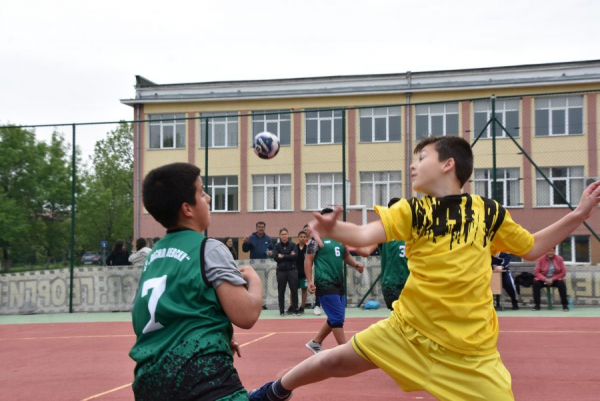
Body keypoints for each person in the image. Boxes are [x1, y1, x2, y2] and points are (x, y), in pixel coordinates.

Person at [248, 136, 600, 401]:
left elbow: (534, 245)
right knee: (333, 361)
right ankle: (275, 391)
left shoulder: (489, 213)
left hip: (470, 352)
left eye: (422, 157)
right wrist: (333, 228)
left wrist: (579, 215)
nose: (413, 165)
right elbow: (364, 235)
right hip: (408, 330)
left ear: (448, 164)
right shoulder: (412, 211)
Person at [129, 162, 263, 400]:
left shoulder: (154, 257)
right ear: (187, 209)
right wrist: (254, 279)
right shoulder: (209, 249)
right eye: (201, 192)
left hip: (150, 384)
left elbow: (160, 312)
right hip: (204, 380)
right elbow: (246, 315)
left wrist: (216, 332)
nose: (209, 197)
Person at [303, 208, 364, 354]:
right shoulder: (315, 240)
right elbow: (308, 260)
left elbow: (345, 255)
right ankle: (345, 351)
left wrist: (355, 264)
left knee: (337, 316)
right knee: (337, 318)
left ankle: (316, 342)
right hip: (325, 283)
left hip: (338, 283)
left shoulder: (340, 238)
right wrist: (310, 281)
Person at [350, 198, 410, 311]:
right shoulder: (385, 232)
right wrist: (354, 247)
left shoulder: (412, 231)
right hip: (391, 284)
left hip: (410, 282)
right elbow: (366, 251)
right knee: (398, 317)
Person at [273, 228, 298, 316]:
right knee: (281, 291)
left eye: (285, 234)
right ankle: (282, 311)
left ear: (288, 235)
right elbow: (276, 257)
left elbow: (295, 257)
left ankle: (295, 310)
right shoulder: (276, 246)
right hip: (281, 271)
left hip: (292, 270)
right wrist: (288, 255)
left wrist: (283, 256)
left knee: (294, 290)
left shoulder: (293, 244)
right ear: (279, 235)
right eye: (282, 234)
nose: (284, 236)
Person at [304, 223, 322, 316]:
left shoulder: (333, 238)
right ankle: (317, 305)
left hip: (332, 269)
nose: (308, 231)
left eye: (309, 229)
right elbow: (308, 259)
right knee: (317, 286)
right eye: (307, 230)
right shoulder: (312, 241)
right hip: (317, 269)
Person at [293, 230, 309, 314]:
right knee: (293, 290)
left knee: (304, 290)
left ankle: (302, 307)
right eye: (301, 237)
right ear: (298, 237)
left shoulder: (308, 249)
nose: (302, 238)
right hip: (295, 273)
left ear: (306, 238)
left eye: (304, 237)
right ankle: (293, 306)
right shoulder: (294, 248)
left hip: (305, 273)